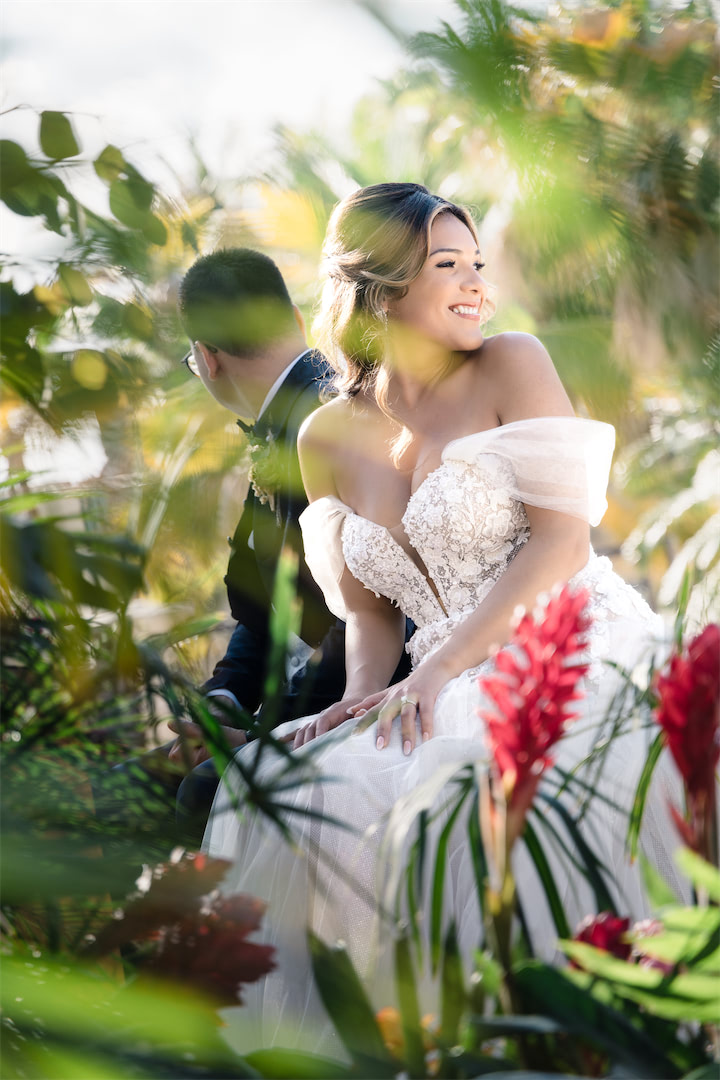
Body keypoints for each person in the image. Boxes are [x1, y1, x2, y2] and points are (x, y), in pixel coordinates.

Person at [203, 185, 682, 1055]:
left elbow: (563, 544)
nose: (476, 287)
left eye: (478, 267)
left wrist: (438, 669)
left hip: (563, 642)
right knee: (287, 788)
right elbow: (370, 608)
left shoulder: (512, 362)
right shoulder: (322, 437)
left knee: (492, 795)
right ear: (382, 292)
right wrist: (355, 693)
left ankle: (590, 1047)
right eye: (446, 267)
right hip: (429, 675)